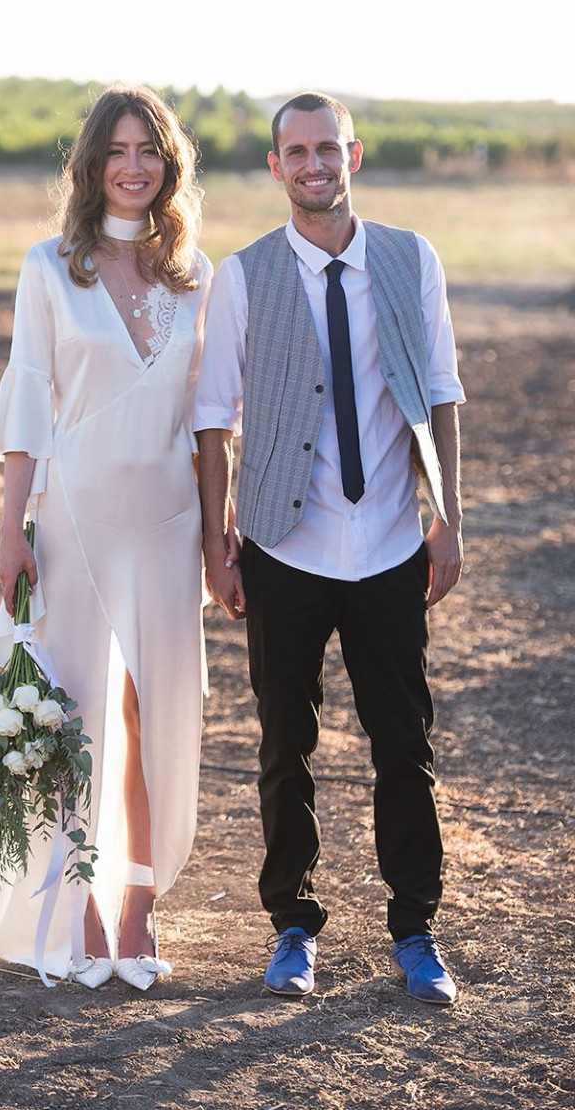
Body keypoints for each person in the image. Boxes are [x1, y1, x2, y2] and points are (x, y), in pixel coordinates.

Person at [0, 85, 213, 991]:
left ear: (169, 164)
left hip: (170, 523)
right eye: (118, 151)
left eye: (149, 150)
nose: (134, 166)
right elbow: (29, 405)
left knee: (153, 712)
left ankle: (137, 902)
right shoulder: (50, 268)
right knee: (80, 715)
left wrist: (220, 535)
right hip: (75, 518)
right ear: (92, 164)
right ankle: (80, 905)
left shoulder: (197, 275)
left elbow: (211, 417)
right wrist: (10, 534)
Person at [194, 92, 465, 1004]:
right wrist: (218, 544)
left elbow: (441, 389)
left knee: (405, 744)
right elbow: (214, 420)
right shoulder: (245, 275)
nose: (314, 164)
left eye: (328, 148)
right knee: (285, 746)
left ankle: (416, 928)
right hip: (284, 544)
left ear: (354, 154)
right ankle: (292, 926)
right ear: (277, 166)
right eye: (296, 151)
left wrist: (449, 516)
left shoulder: (412, 256)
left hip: (390, 541)